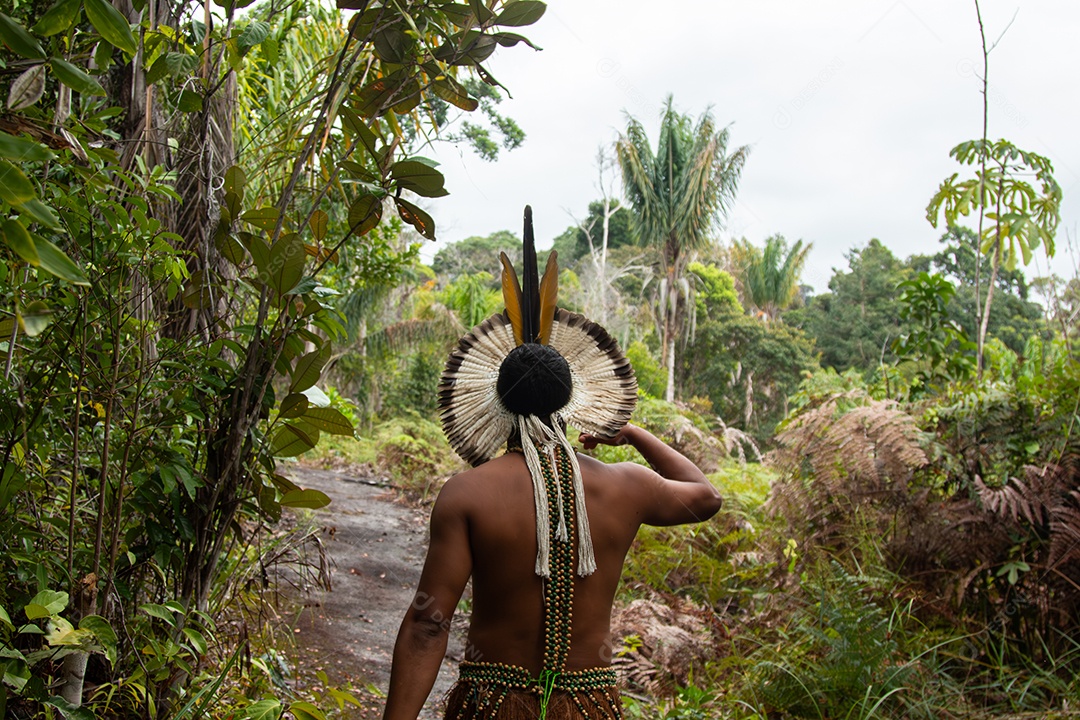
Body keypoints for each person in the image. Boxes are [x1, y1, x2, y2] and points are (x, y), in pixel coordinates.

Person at [381, 209, 722, 720]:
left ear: (494, 402)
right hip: (589, 707)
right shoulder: (628, 486)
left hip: (492, 706)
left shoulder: (468, 493)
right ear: (573, 403)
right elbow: (705, 496)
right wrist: (632, 435)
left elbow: (430, 624)